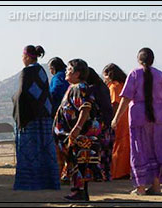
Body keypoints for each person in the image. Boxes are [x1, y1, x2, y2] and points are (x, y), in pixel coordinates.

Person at [111, 48, 162, 195]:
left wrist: (116, 117)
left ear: (138, 59)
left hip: (139, 118)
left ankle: (140, 187)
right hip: (160, 118)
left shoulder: (134, 74)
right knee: (157, 150)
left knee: (140, 150)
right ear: (152, 60)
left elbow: (126, 98)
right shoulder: (160, 75)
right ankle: (156, 185)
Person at [12, 45, 60, 191]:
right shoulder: (41, 71)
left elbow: (22, 94)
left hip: (30, 118)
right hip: (44, 116)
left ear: (26, 57)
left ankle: (29, 183)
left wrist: (14, 103)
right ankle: (48, 181)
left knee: (29, 150)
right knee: (44, 148)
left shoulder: (26, 72)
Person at [53, 59, 102, 201]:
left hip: (79, 134)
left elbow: (85, 108)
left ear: (77, 73)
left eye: (69, 70)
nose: (66, 72)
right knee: (79, 162)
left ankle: (79, 192)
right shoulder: (75, 87)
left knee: (79, 162)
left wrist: (77, 127)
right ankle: (80, 192)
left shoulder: (80, 87)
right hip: (76, 135)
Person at [102, 63, 131, 180]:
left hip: (119, 117)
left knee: (117, 145)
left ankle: (117, 172)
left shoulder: (113, 87)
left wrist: (113, 119)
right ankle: (125, 171)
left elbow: (115, 104)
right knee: (125, 145)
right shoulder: (124, 84)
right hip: (127, 116)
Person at [86, 67, 113, 182]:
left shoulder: (91, 89)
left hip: (97, 123)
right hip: (107, 121)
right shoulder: (104, 87)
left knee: (95, 149)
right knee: (106, 150)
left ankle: (96, 174)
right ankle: (106, 173)